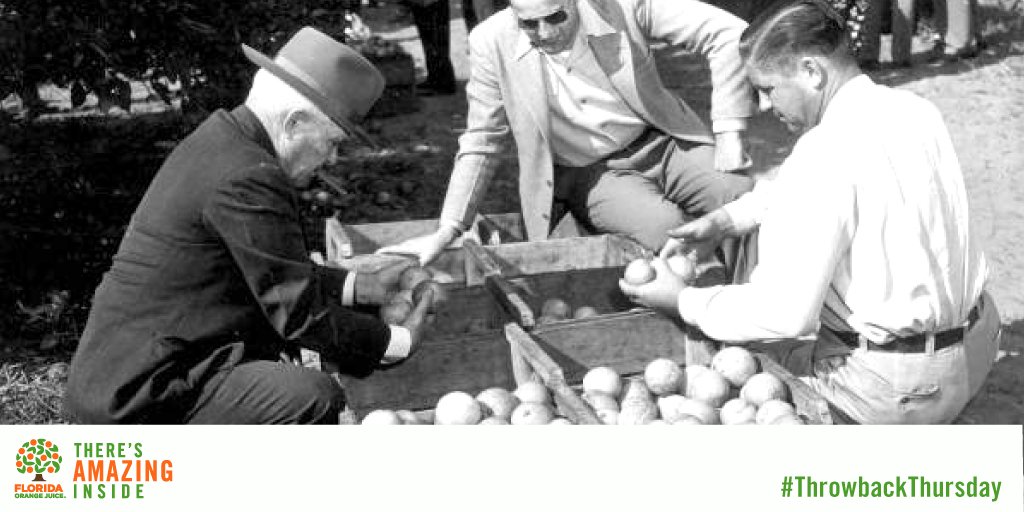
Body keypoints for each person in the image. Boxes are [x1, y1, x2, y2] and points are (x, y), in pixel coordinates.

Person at [620, 0, 1000, 424]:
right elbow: (838, 185)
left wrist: (683, 300)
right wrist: (729, 220)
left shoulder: (822, 153)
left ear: (811, 71)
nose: (765, 106)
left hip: (897, 389)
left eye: (767, 89)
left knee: (738, 371)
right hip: (975, 349)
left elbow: (783, 314)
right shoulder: (913, 110)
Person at [65, 27, 432, 424]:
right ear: (294, 123)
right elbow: (296, 312)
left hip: (140, 367)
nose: (332, 160)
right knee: (310, 397)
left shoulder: (226, 141)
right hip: (143, 394)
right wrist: (396, 343)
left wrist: (360, 285)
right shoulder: (249, 176)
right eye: (332, 142)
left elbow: (271, 269)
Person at [382, 0, 757, 264]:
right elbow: (482, 139)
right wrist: (449, 227)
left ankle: (757, 308)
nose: (544, 33)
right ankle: (705, 323)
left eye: (556, 16)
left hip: (662, 142)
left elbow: (728, 33)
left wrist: (729, 130)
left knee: (738, 196)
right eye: (529, 24)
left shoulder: (621, 6)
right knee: (666, 230)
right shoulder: (490, 42)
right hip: (593, 173)